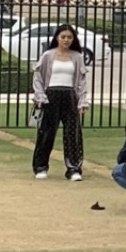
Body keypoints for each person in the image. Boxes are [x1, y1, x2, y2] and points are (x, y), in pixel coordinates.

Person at [31, 24, 90, 181]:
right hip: (51, 95)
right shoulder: (48, 55)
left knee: (72, 133)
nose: (66, 40)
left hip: (69, 95)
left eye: (69, 37)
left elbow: (81, 82)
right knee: (46, 132)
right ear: (57, 38)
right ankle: (40, 167)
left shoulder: (77, 57)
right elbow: (38, 77)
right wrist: (40, 96)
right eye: (63, 37)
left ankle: (73, 168)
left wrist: (82, 101)